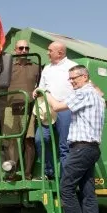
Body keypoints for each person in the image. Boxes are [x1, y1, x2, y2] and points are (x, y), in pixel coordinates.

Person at [34, 64, 105, 213]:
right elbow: (101, 92)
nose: (71, 81)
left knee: (66, 188)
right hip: (93, 148)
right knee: (88, 193)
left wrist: (44, 91)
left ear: (84, 77)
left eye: (74, 78)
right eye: (70, 78)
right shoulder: (97, 95)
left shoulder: (84, 93)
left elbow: (57, 106)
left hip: (81, 148)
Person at [35, 41, 78, 178]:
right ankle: (49, 172)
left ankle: (65, 178)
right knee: (40, 139)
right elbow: (41, 87)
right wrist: (36, 91)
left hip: (65, 109)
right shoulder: (47, 68)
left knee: (64, 145)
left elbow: (80, 88)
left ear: (60, 52)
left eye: (50, 50)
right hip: (47, 109)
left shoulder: (73, 66)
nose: (47, 53)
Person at [4, 39, 41, 179]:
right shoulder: (8, 67)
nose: (24, 51)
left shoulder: (36, 67)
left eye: (26, 48)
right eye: (21, 48)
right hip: (11, 106)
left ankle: (27, 173)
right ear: (15, 50)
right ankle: (12, 171)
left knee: (28, 139)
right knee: (11, 140)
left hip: (28, 106)